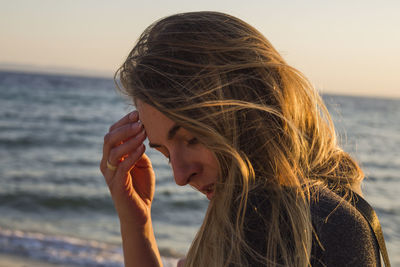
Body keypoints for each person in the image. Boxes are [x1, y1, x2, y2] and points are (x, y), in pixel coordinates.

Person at [100, 11, 383, 266]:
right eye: (163, 152)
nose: (180, 175)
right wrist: (136, 222)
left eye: (193, 138)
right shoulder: (325, 214)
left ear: (249, 107)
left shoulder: (306, 226)